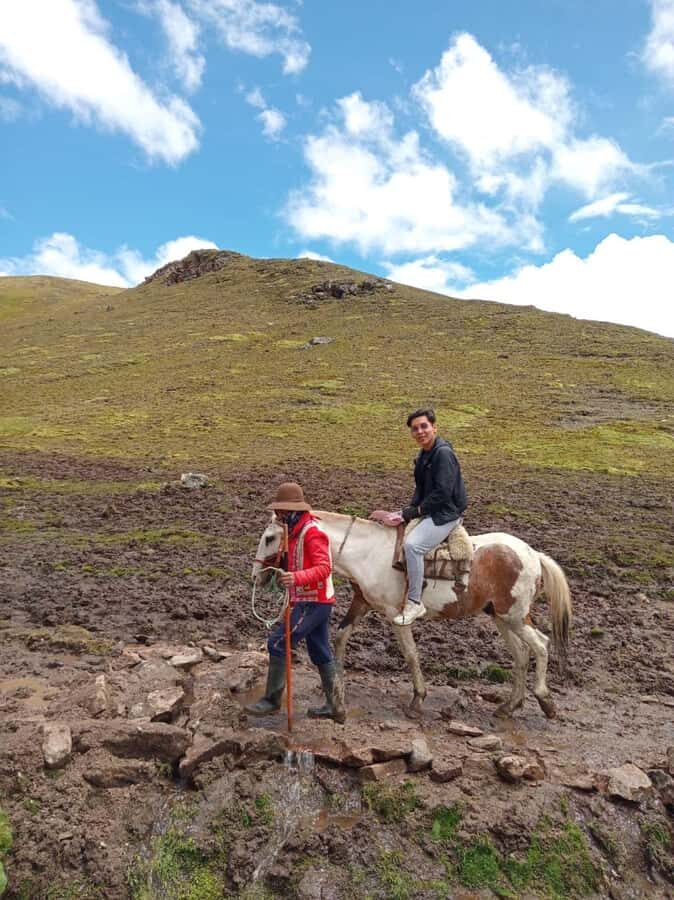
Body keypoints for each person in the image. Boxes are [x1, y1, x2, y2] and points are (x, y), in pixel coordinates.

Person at [246, 482, 345, 723]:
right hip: (312, 600)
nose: (279, 516)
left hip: (313, 601)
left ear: (292, 511)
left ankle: (271, 700)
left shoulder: (312, 532)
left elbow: (324, 567)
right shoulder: (293, 532)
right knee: (319, 650)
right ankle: (336, 707)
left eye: (282, 512)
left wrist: (296, 577)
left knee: (278, 642)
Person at [394, 408, 468, 626]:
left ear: (434, 427)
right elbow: (421, 489)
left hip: (445, 513)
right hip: (433, 509)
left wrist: (416, 512)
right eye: (415, 429)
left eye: (424, 426)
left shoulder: (443, 454)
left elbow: (443, 493)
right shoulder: (424, 455)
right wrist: (407, 510)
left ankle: (415, 601)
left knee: (413, 546)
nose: (420, 431)